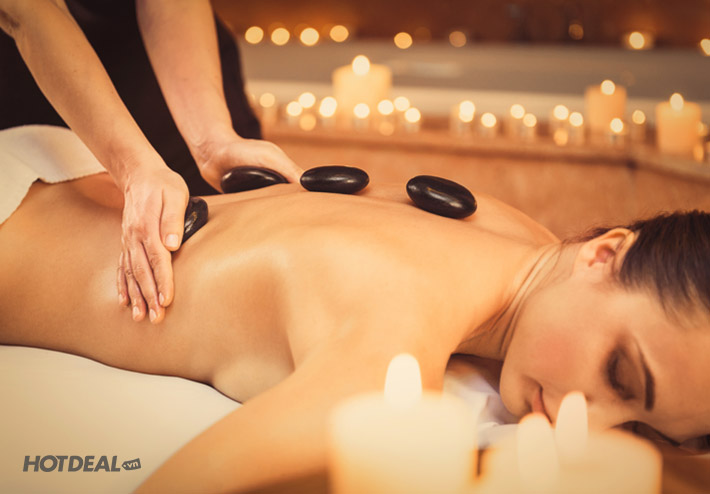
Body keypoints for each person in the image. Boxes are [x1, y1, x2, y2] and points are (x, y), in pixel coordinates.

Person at [1, 142, 709, 492]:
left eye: (644, 430)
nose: (594, 424)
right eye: (620, 374)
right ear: (604, 254)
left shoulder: (530, 244)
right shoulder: (394, 340)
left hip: (50, 164)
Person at [0, 0, 303, 325]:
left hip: (182, 73)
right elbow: (30, 12)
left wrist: (212, 143)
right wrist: (133, 169)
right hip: (42, 80)